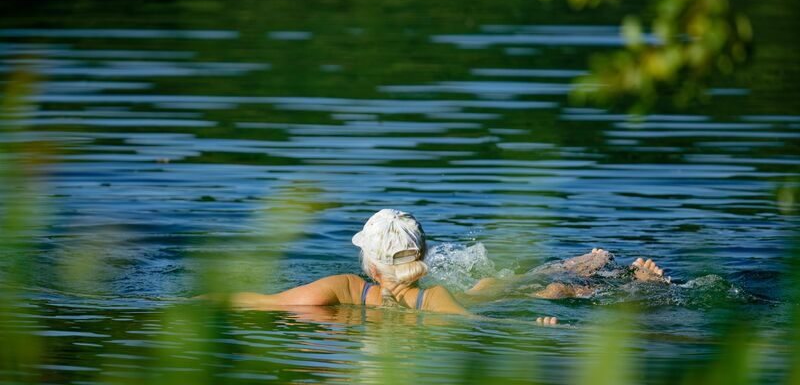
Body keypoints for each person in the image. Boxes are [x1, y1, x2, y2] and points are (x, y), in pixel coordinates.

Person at [222, 209, 670, 326]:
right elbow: (477, 323)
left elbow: (246, 301)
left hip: (442, 303)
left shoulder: (340, 289)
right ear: (426, 254)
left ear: (368, 263)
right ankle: (581, 268)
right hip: (450, 301)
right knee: (494, 289)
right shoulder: (433, 297)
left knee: (515, 291)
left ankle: (575, 272)